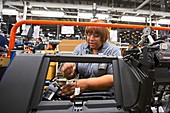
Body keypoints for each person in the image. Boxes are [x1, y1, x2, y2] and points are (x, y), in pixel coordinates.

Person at [60, 20, 121, 98]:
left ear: (103, 37)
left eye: (96, 36)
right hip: (82, 93)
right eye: (88, 35)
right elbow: (71, 74)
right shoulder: (80, 49)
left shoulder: (113, 51)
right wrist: (67, 72)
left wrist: (87, 84)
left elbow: (113, 78)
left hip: (105, 95)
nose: (91, 39)